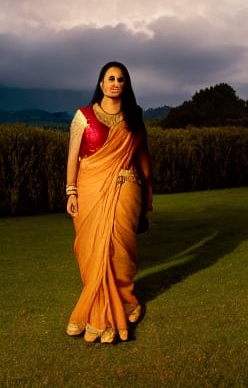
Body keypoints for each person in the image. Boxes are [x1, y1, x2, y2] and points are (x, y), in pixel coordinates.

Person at [65, 61, 153, 344]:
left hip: (127, 188)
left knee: (120, 249)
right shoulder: (83, 117)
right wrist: (71, 192)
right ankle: (98, 303)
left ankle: (125, 300)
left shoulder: (133, 119)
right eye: (110, 78)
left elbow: (144, 163)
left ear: (126, 85)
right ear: (101, 84)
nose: (115, 83)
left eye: (121, 79)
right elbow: (73, 158)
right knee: (91, 249)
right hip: (89, 191)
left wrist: (147, 193)